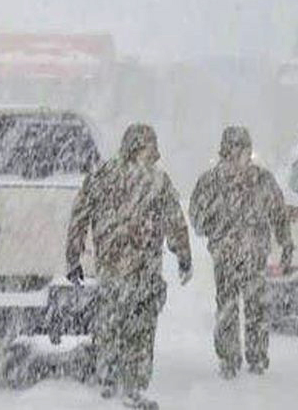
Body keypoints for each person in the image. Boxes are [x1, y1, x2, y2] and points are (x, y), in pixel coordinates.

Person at [66, 123, 192, 410]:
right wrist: (183, 255)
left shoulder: (104, 176)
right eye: (148, 147)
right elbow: (174, 221)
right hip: (131, 268)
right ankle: (124, 382)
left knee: (126, 325)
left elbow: (79, 216)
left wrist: (73, 256)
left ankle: (120, 381)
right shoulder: (151, 180)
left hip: (127, 269)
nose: (152, 154)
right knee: (128, 326)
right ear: (138, 147)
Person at [189, 126, 295, 379]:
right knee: (227, 307)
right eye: (233, 150)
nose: (238, 156)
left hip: (253, 255)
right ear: (225, 152)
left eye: (242, 149)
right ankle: (229, 359)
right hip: (226, 256)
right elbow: (196, 215)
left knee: (254, 307)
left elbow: (278, 212)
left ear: (248, 151)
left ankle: (256, 357)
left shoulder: (262, 180)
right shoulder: (211, 181)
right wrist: (214, 229)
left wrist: (286, 242)